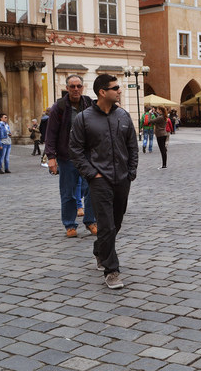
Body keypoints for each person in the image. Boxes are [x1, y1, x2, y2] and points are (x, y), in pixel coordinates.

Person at [70, 74, 138, 289]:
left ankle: (100, 250)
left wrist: (131, 172)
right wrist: (92, 174)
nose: (119, 90)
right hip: (99, 180)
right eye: (115, 87)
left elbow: (132, 147)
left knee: (116, 223)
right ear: (102, 92)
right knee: (106, 225)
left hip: (123, 179)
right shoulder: (83, 118)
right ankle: (112, 270)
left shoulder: (124, 116)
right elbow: (76, 151)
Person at [45, 74, 96, 238]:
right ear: (67, 88)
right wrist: (51, 157)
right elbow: (51, 133)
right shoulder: (59, 107)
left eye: (78, 86)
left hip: (88, 156)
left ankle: (91, 221)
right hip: (67, 157)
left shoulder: (89, 104)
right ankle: (70, 225)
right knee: (68, 193)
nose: (76, 89)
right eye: (72, 86)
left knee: (92, 189)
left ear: (83, 87)